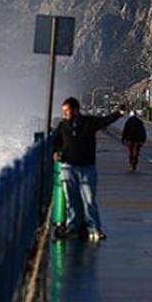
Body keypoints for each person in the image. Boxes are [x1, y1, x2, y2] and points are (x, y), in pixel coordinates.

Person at [52, 97, 124, 241]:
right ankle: (72, 226)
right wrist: (56, 152)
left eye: (67, 111)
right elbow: (56, 142)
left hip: (87, 168)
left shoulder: (89, 122)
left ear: (76, 110)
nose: (65, 114)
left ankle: (94, 229)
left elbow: (105, 120)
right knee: (71, 200)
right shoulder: (62, 126)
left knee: (89, 199)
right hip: (68, 167)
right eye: (63, 111)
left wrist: (119, 113)